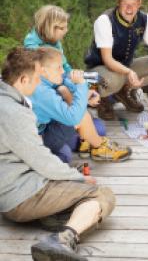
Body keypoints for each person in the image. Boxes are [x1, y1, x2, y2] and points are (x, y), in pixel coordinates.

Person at [0, 47, 115, 261]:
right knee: (101, 194)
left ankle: (54, 217)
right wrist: (80, 178)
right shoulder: (14, 113)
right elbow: (42, 161)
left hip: (14, 186)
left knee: (72, 185)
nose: (39, 82)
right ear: (24, 79)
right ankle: (61, 240)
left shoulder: (5, 96)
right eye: (37, 78)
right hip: (20, 196)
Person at [85, 0, 148, 120]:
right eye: (125, 3)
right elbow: (108, 60)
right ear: (118, 2)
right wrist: (129, 73)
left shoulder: (145, 19)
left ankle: (124, 91)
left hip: (125, 68)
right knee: (112, 80)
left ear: (140, 3)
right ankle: (102, 100)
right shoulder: (105, 20)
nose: (129, 8)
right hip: (98, 71)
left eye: (133, 4)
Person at [31, 47, 132, 162]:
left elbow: (65, 79)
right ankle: (99, 148)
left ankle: (91, 141)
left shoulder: (43, 79)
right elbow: (74, 118)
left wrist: (85, 95)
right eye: (58, 68)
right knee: (80, 117)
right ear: (43, 70)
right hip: (40, 140)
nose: (62, 71)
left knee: (65, 92)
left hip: (46, 128)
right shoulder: (41, 91)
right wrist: (82, 85)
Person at [24, 5, 100, 108]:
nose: (66, 30)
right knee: (67, 88)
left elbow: (64, 64)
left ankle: (89, 100)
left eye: (66, 26)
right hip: (49, 81)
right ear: (50, 27)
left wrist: (72, 73)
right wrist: (68, 80)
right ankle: (80, 106)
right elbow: (41, 75)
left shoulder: (55, 41)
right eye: (62, 28)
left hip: (62, 74)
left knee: (93, 78)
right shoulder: (32, 44)